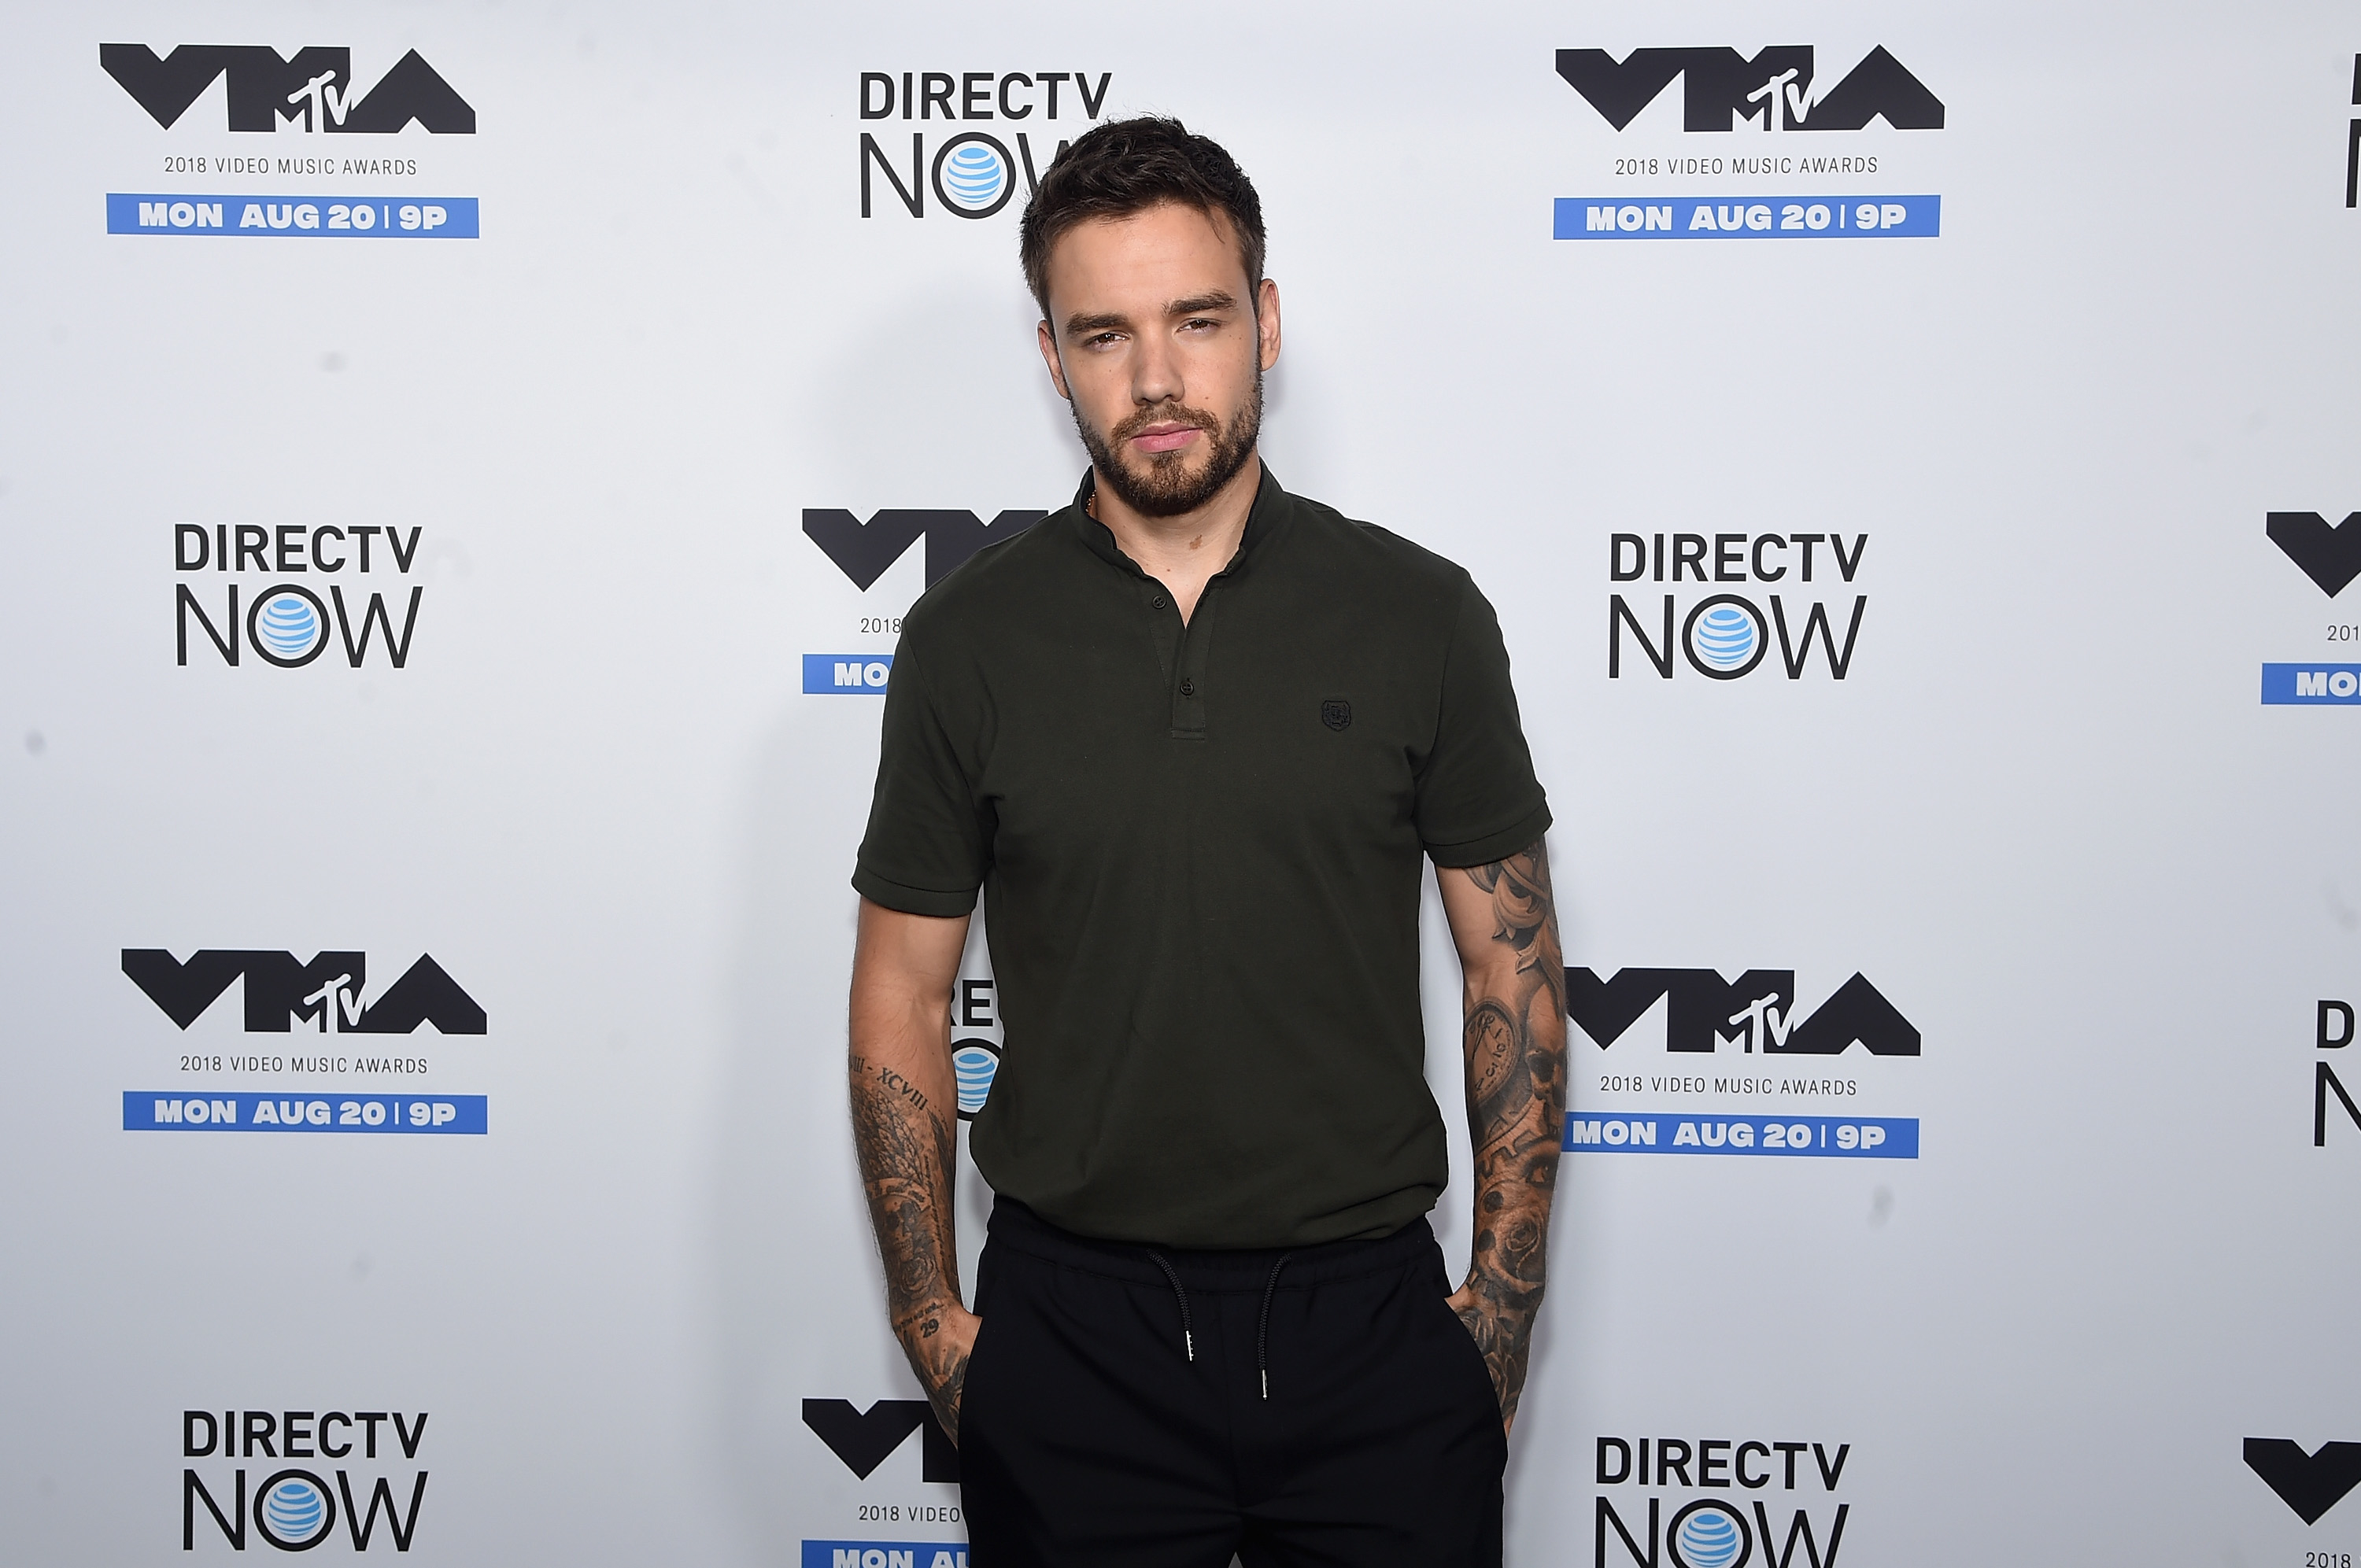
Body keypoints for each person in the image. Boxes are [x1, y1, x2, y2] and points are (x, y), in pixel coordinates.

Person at [845, 115, 1565, 1567]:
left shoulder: (1421, 615)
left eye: (1199, 319)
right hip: (1070, 1333)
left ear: (1268, 325)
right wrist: (939, 1328)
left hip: (1373, 1325)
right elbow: (903, 992)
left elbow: (1514, 968)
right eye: (1105, 333)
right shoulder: (966, 638)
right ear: (1051, 357)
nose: (1159, 378)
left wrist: (1496, 1312)